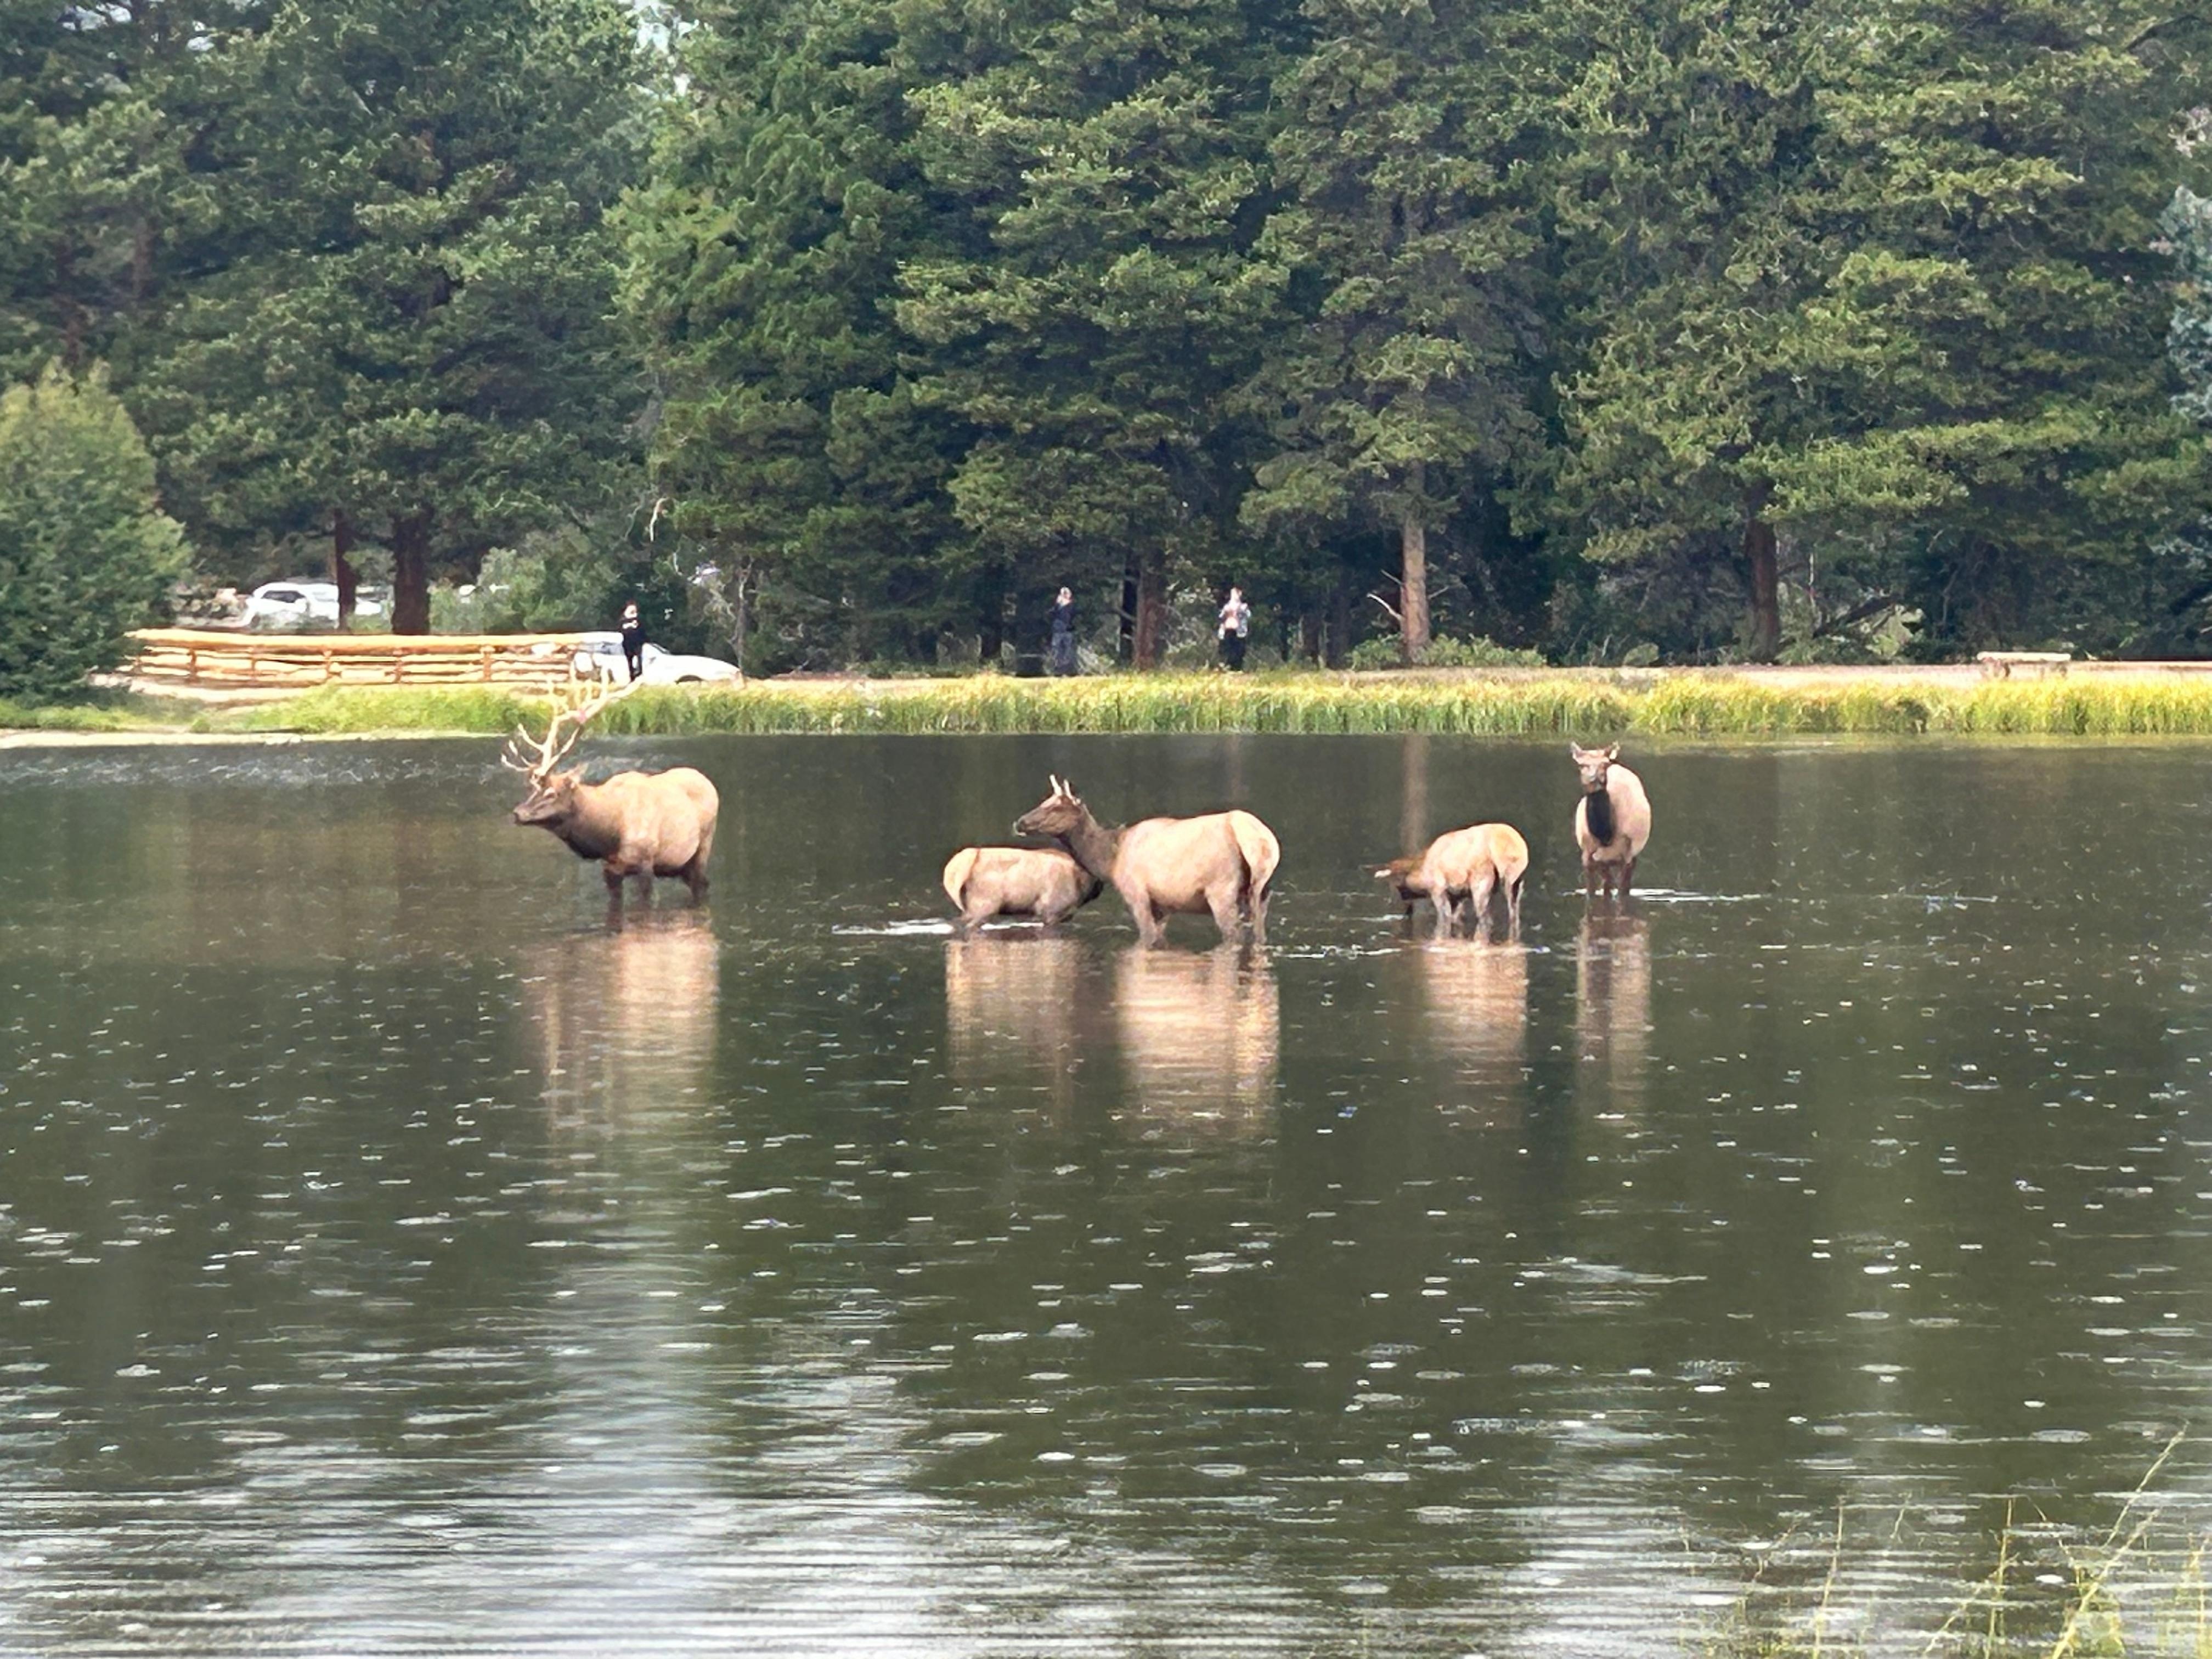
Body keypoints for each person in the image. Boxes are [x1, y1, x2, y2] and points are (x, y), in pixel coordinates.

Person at [1217, 586, 1251, 672]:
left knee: (1239, 649)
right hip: (1228, 629)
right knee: (1229, 649)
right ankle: (1229, 666)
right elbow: (1221, 617)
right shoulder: (1227, 606)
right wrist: (1226, 612)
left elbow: (1248, 616)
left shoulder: (1243, 607)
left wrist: (1241, 611)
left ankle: (1238, 668)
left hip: (1240, 631)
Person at [1048, 586, 1079, 676]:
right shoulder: (1057, 606)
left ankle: (1069, 670)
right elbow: (1052, 614)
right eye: (1063, 594)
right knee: (1057, 650)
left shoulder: (1072, 606)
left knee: (1068, 650)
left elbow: (1074, 615)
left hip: (1068, 631)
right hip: (1058, 631)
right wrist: (1058, 604)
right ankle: (1058, 670)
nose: (1065, 596)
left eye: (1067, 594)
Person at [619, 601, 645, 682]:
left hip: (637, 644)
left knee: (639, 659)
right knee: (629, 661)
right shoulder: (623, 621)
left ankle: (638, 673)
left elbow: (641, 630)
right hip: (627, 644)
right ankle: (632, 676)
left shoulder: (638, 620)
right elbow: (621, 629)